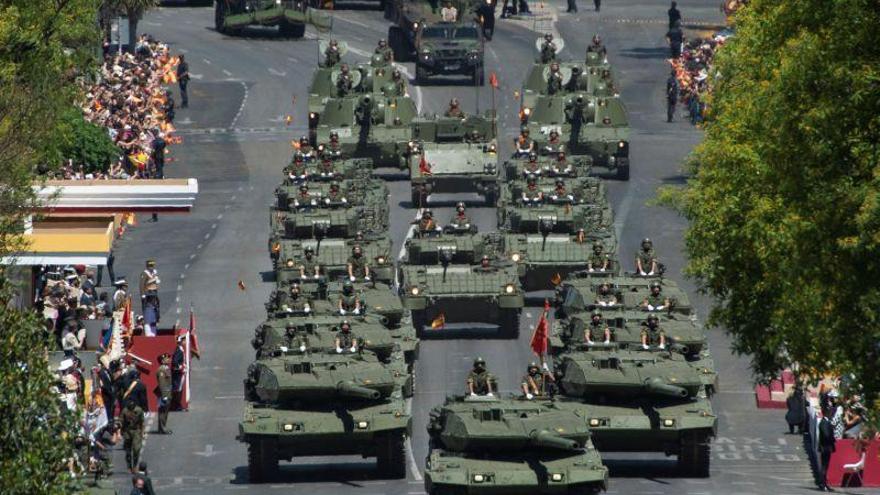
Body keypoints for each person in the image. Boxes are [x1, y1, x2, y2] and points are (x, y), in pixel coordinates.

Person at [120, 400, 144, 473]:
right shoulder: (125, 411)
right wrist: (120, 431)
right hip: (127, 431)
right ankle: (129, 466)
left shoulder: (139, 410)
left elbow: (142, 422)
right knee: (128, 451)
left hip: (136, 431)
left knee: (136, 449)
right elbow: (121, 421)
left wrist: (142, 432)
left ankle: (135, 466)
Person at [817, 408, 836, 491]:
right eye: (831, 412)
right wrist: (832, 439)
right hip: (825, 447)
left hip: (826, 447)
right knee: (824, 466)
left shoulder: (826, 422)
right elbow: (826, 435)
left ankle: (824, 484)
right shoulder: (824, 422)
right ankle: (822, 484)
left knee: (825, 466)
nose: (832, 414)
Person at [155, 353, 172, 434]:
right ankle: (162, 428)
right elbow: (162, 384)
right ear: (162, 361)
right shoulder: (161, 370)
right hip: (164, 394)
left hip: (167, 393)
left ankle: (162, 427)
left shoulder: (166, 368)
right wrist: (164, 396)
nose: (168, 359)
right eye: (166, 358)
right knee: (162, 412)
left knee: (165, 412)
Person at [171, 335, 186, 411]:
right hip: (178, 374)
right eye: (184, 340)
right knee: (177, 389)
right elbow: (174, 361)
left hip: (180, 373)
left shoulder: (180, 349)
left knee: (179, 389)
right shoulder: (179, 350)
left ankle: (178, 405)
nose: (185, 342)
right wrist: (180, 367)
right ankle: (177, 406)